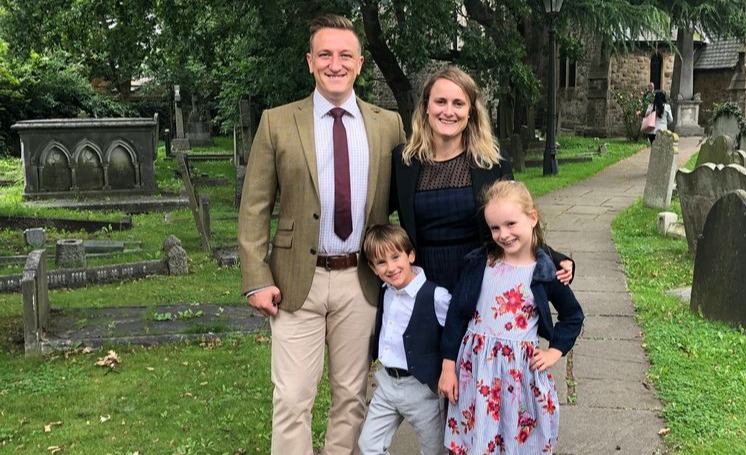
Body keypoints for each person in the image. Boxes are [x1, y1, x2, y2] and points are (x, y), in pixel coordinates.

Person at [237, 14, 406, 455]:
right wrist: (256, 277)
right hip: (295, 280)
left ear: (360, 63)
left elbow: (405, 202)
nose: (336, 64)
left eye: (345, 55)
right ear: (310, 62)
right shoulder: (277, 122)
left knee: (352, 397)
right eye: (325, 54)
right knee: (292, 399)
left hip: (361, 280)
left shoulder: (388, 124)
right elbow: (254, 207)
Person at [391, 66, 574, 294]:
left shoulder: (492, 163)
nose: (449, 111)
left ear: (470, 112)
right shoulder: (403, 162)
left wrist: (553, 257)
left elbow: (516, 220)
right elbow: (377, 213)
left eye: (458, 103)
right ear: (426, 107)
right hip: (422, 283)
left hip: (480, 280)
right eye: (441, 102)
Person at [438, 180, 585, 454]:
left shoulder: (545, 272)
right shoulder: (480, 264)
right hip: (477, 373)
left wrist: (554, 352)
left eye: (510, 224)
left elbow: (572, 315)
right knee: (478, 439)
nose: (503, 234)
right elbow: (457, 314)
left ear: (532, 218)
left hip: (519, 375)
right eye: (495, 228)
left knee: (515, 439)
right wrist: (448, 368)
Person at [357, 224, 451, 455]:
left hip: (423, 389)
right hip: (387, 385)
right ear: (373, 268)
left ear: (410, 255)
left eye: (396, 257)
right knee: (368, 445)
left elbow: (456, 332)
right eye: (381, 262)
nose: (391, 267)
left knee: (434, 451)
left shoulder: (436, 296)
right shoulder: (385, 291)